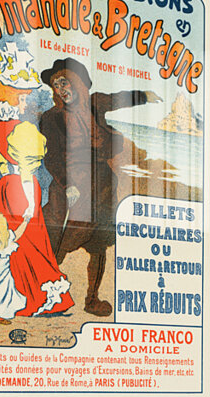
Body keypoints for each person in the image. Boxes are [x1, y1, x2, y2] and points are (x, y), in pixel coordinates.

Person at [38, 57, 159, 316]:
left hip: (101, 184)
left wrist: (144, 96)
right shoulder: (51, 118)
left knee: (99, 242)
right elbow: (52, 157)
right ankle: (44, 295)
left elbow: (119, 98)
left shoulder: (95, 103)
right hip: (70, 188)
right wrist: (66, 184)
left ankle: (92, 299)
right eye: (56, 85)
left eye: (65, 82)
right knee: (60, 241)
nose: (61, 89)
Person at [0, 119, 74, 317]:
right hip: (21, 227)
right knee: (27, 260)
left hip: (25, 228)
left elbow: (27, 207)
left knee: (31, 259)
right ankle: (35, 300)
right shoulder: (13, 177)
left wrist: (22, 221)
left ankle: (39, 301)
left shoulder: (19, 180)